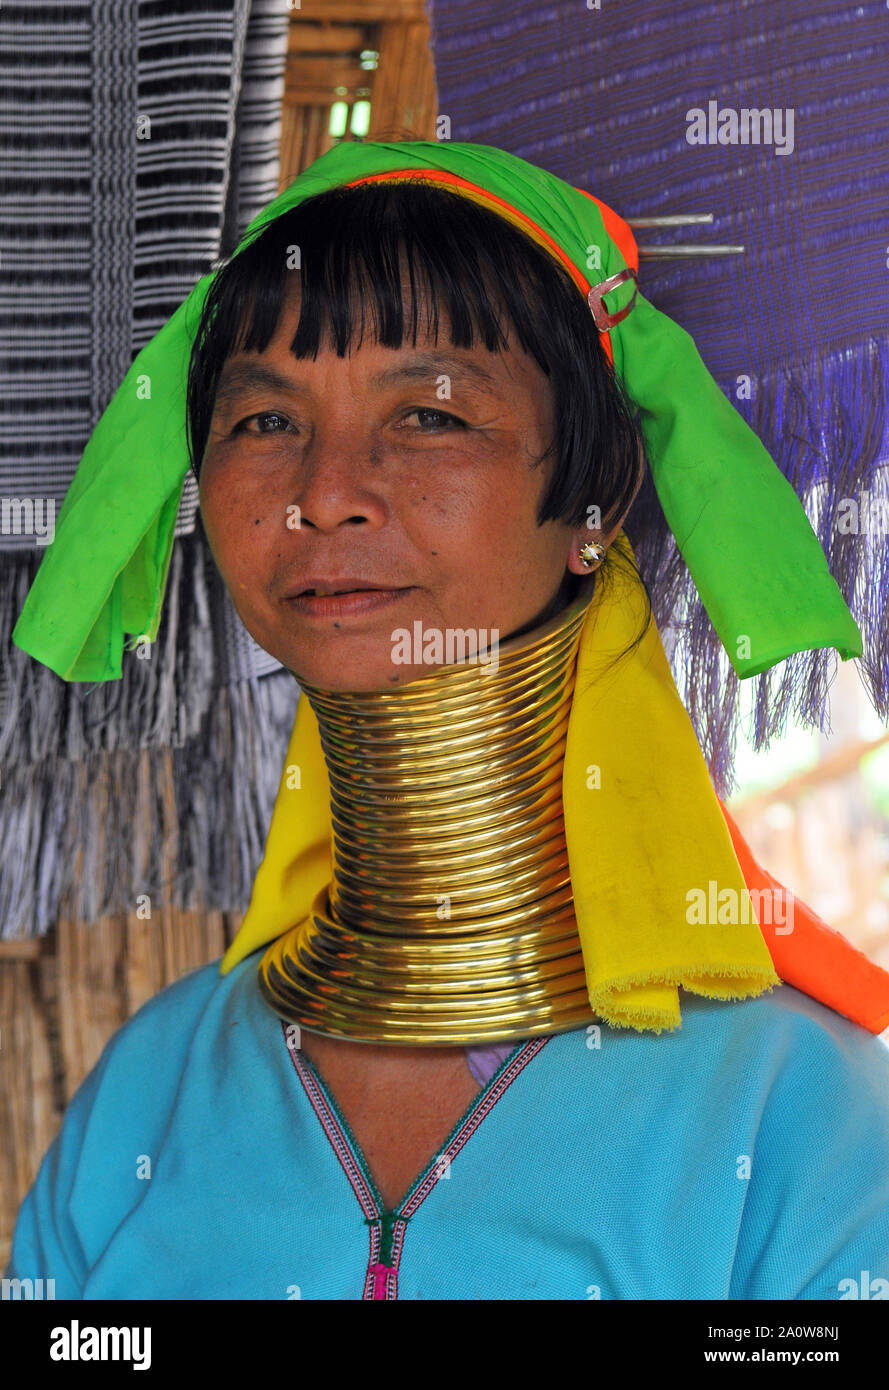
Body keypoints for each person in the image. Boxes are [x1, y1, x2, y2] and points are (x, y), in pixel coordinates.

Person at [7, 140, 889, 1300]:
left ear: (598, 489)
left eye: (428, 415)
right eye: (265, 422)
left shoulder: (794, 1115)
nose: (324, 492)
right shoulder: (156, 1085)